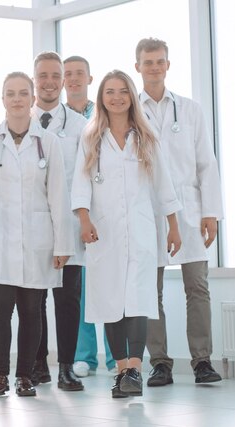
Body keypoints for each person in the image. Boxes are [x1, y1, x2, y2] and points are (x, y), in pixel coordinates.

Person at [71, 69, 182, 398]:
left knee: (137, 300)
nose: (116, 97)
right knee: (110, 302)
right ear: (101, 98)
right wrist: (84, 219)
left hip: (141, 230)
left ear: (131, 96)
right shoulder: (90, 137)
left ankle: (133, 369)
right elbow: (80, 183)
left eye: (122, 91)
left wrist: (174, 227)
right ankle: (122, 371)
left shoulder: (146, 137)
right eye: (109, 92)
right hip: (103, 232)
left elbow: (164, 185)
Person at [0, 72, 73, 397]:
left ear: (32, 98)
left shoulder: (48, 142)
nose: (16, 99)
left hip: (37, 242)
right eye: (10, 93)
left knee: (30, 310)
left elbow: (58, 195)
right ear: (2, 100)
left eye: (23, 93)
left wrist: (62, 243)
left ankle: (24, 376)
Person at [134, 37, 224, 386]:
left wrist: (211, 212)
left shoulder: (190, 110)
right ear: (137, 66)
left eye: (160, 61)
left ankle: (203, 361)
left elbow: (206, 164)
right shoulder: (131, 111)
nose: (154, 67)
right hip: (149, 211)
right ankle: (160, 362)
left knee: (197, 287)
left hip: (189, 210)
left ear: (168, 65)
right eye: (148, 62)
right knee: (149, 290)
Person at [30, 51, 87, 391]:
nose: (50, 82)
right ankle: (39, 365)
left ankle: (66, 367)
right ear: (34, 79)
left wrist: (84, 219)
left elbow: (85, 177)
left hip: (68, 224)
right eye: (43, 76)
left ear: (63, 80)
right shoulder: (22, 121)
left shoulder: (80, 126)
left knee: (68, 299)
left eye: (56, 75)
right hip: (34, 225)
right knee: (34, 299)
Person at [63, 55, 116, 377]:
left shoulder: (104, 114)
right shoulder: (54, 118)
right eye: (67, 74)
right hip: (73, 209)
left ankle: (115, 356)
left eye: (79, 73)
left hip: (104, 206)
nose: (73, 79)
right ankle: (84, 356)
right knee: (78, 286)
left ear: (90, 78)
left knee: (109, 282)